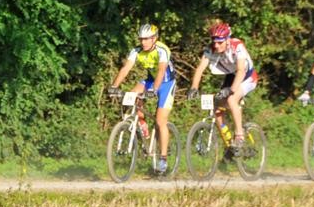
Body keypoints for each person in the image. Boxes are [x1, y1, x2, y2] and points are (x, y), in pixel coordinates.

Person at [107, 23, 177, 173]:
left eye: (146, 39)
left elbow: (161, 71)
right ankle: (142, 125)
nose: (143, 42)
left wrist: (154, 90)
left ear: (154, 38)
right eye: (141, 39)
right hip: (150, 81)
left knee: (160, 121)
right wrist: (114, 86)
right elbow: (126, 68)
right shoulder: (137, 51)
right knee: (132, 96)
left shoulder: (162, 50)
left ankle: (163, 159)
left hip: (166, 84)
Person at [186, 22, 258, 153]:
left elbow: (241, 71)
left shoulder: (237, 46)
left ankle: (239, 135)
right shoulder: (211, 49)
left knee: (231, 99)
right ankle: (229, 145)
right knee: (216, 107)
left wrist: (231, 90)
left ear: (227, 40)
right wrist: (194, 87)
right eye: (214, 42)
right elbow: (200, 68)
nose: (216, 45)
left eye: (220, 42)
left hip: (247, 76)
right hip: (232, 75)